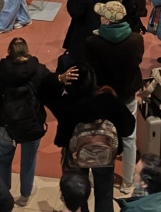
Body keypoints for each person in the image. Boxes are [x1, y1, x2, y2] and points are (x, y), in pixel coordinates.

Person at [0, 37, 66, 207]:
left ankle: (3, 193)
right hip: (32, 124)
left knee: (3, 159)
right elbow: (52, 90)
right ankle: (24, 196)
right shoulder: (39, 71)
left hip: (6, 125)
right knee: (28, 161)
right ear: (27, 51)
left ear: (9, 52)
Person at [50, 64, 136, 212]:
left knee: (79, 191)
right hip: (105, 155)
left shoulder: (68, 102)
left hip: (77, 155)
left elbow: (62, 139)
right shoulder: (107, 97)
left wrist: (59, 79)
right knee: (104, 195)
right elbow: (128, 127)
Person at [85, 1, 144, 195]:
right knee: (129, 138)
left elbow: (88, 70)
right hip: (126, 96)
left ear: (108, 20)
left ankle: (94, 177)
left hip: (102, 98)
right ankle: (127, 182)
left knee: (98, 136)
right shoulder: (136, 40)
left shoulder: (92, 42)